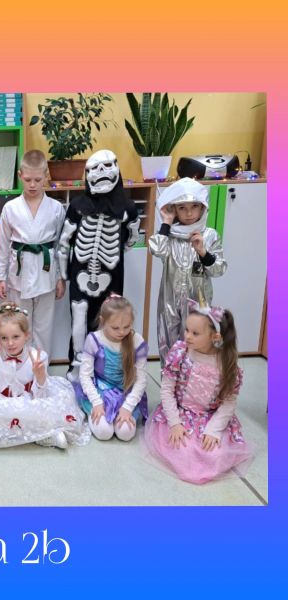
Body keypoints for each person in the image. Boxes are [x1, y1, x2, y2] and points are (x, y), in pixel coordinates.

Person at [144, 299, 251, 484]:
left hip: (210, 417)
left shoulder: (227, 364)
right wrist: (175, 423)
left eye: (195, 333)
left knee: (215, 454)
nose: (187, 336)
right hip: (180, 414)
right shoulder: (180, 353)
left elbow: (229, 402)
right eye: (186, 330)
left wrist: (213, 430)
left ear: (215, 337)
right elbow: (167, 390)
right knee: (182, 449)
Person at [57, 149, 140, 384]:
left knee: (111, 322)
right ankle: (77, 370)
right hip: (80, 275)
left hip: (111, 277)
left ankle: (106, 370)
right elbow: (64, 243)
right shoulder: (77, 206)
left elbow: (131, 238)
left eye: (106, 166)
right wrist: (63, 275)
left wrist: (115, 251)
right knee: (79, 320)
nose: (101, 172)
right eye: (94, 169)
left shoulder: (127, 208)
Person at [0, 302, 90, 450]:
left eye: (16, 337)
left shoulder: (37, 357)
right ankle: (40, 435)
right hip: (1, 400)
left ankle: (48, 435)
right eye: (4, 338)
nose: (10, 343)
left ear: (26, 335)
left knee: (42, 412)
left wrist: (40, 377)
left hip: (30, 399)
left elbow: (40, 396)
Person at [0, 149, 66, 356]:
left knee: (44, 326)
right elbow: (2, 244)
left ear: (46, 176)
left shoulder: (56, 208)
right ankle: (20, 367)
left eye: (37, 180)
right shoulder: (10, 207)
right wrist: (0, 277)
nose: (32, 185)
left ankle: (41, 368)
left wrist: (61, 277)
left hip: (47, 272)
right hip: (19, 273)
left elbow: (60, 246)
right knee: (19, 324)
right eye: (27, 180)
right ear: (20, 176)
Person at [149, 177, 227, 362]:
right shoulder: (169, 236)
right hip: (169, 303)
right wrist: (166, 222)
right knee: (168, 346)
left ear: (203, 207)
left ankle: (193, 380)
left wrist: (203, 253)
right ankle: (169, 380)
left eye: (194, 206)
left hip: (198, 303)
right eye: (182, 207)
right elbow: (156, 249)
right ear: (174, 209)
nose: (189, 213)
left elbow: (219, 269)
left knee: (196, 346)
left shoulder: (209, 235)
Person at [78, 294, 148, 442]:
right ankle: (92, 411)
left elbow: (141, 380)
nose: (122, 332)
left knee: (126, 433)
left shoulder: (137, 341)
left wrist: (128, 407)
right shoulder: (94, 339)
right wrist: (97, 403)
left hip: (126, 392)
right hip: (100, 390)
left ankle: (122, 413)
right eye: (115, 328)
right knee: (104, 432)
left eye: (127, 326)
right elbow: (85, 375)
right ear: (103, 321)